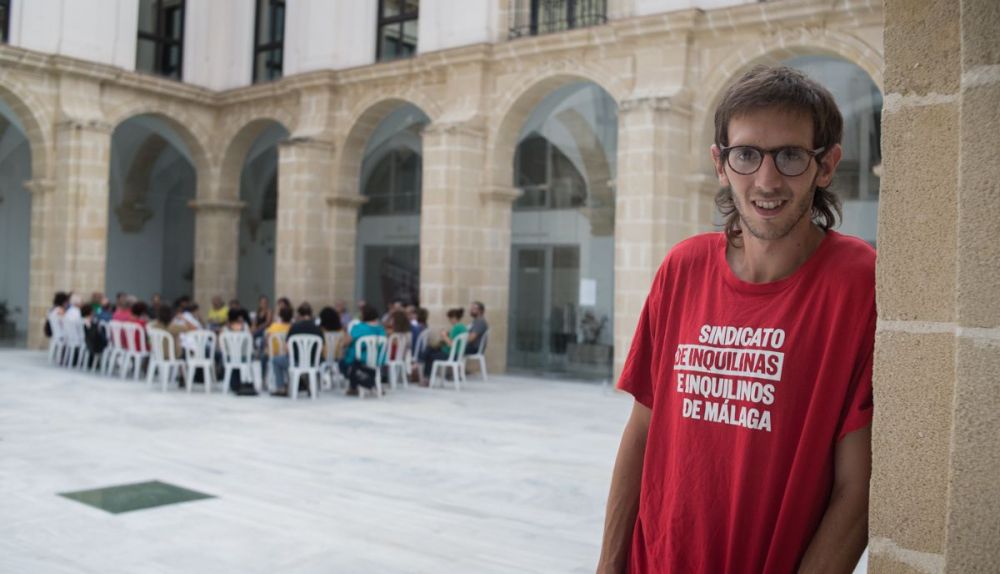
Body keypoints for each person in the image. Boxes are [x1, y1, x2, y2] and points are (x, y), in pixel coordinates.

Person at [596, 66, 874, 574]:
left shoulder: (858, 282)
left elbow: (857, 491)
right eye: (746, 155)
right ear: (720, 164)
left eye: (791, 156)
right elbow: (641, 432)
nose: (767, 181)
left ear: (826, 165)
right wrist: (608, 565)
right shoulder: (683, 267)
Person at [270, 302, 323, 397]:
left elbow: (287, 348)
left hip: (295, 362)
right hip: (313, 362)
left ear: (299, 314)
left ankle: (281, 388)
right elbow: (322, 347)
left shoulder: (294, 327)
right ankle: (308, 384)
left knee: (275, 360)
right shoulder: (318, 329)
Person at [340, 303, 387, 396]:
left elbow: (345, 343)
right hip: (377, 360)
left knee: (342, 363)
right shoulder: (381, 329)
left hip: (359, 360)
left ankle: (354, 386)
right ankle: (371, 383)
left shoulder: (359, 327)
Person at [421, 307, 467, 384]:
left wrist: (444, 335)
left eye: (450, 318)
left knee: (429, 356)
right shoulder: (463, 327)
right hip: (456, 354)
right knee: (430, 349)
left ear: (453, 318)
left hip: (450, 355)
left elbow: (451, 344)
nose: (449, 320)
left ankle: (426, 378)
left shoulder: (456, 327)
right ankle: (421, 360)